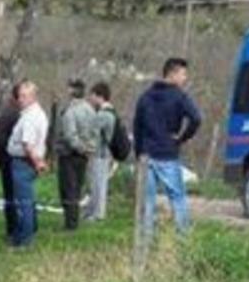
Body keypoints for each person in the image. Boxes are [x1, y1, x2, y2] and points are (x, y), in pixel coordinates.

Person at [133, 58, 202, 244]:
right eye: (183, 74)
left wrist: (139, 153)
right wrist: (181, 138)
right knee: (177, 198)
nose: (185, 78)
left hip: (146, 155)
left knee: (147, 202)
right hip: (167, 154)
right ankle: (183, 239)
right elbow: (196, 118)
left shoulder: (145, 96)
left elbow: (137, 127)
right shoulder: (179, 96)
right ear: (172, 73)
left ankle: (146, 242)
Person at [7, 81, 49, 247]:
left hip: (24, 163)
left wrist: (38, 163)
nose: (20, 99)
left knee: (23, 203)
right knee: (27, 201)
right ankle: (27, 233)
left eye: (25, 96)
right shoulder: (34, 113)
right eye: (20, 95)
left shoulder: (31, 117)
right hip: (27, 162)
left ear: (33, 97)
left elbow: (28, 145)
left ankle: (25, 240)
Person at [53, 79, 94, 230]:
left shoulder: (70, 111)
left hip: (69, 154)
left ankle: (70, 224)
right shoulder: (90, 109)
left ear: (71, 91)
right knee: (77, 188)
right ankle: (74, 220)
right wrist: (89, 149)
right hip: (83, 156)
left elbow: (70, 136)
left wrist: (80, 148)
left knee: (68, 188)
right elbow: (93, 132)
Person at [84, 82, 116, 222]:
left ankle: (98, 214)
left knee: (99, 184)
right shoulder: (112, 112)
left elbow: (92, 132)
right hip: (105, 154)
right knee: (98, 183)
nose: (91, 99)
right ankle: (93, 211)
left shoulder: (103, 115)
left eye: (93, 96)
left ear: (100, 96)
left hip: (100, 154)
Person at [0, 82, 22, 240]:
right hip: (9, 159)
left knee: (12, 196)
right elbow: (1, 139)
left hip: (6, 159)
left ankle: (14, 228)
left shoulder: (10, 111)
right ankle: (13, 229)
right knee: (12, 196)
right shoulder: (12, 113)